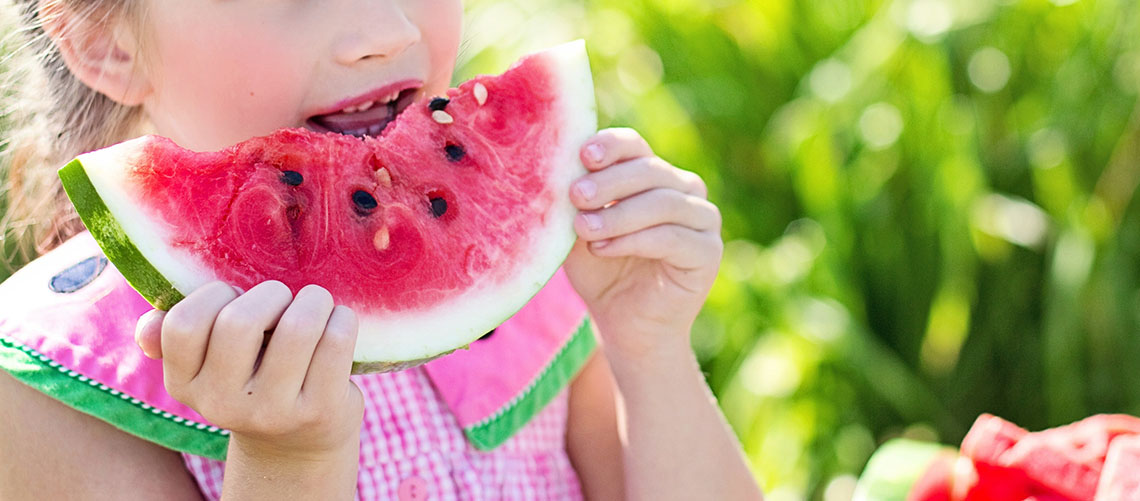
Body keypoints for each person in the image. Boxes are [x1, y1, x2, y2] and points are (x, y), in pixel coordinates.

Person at [0, 0, 763, 499]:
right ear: (101, 41)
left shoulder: (525, 282)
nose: (387, 31)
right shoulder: (53, 390)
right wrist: (287, 463)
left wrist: (650, 348)